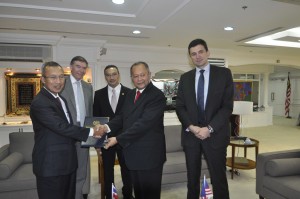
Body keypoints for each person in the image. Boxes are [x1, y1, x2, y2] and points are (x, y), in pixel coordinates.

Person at [30, 61, 102, 199]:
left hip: (67, 164)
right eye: (53, 77)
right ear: (43, 79)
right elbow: (61, 127)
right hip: (51, 166)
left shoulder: (59, 98)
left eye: (61, 77)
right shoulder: (40, 102)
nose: (58, 81)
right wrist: (92, 132)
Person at [175, 38, 234, 199]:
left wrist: (209, 128)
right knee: (192, 179)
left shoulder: (224, 74)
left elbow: (227, 107)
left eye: (200, 52)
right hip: (191, 136)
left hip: (215, 135)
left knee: (219, 178)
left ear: (208, 52)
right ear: (190, 57)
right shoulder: (185, 78)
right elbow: (180, 106)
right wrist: (192, 127)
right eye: (193, 54)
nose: (197, 56)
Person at [101, 61, 166, 199]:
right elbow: (122, 116)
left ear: (149, 75)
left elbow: (143, 124)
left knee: (150, 194)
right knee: (139, 193)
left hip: (150, 156)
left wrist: (118, 139)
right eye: (135, 76)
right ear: (131, 78)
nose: (139, 79)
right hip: (133, 154)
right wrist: (105, 127)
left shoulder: (157, 96)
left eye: (142, 75)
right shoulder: (130, 94)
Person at [93, 65, 134, 199]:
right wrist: (97, 143)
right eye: (108, 75)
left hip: (124, 138)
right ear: (105, 76)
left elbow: (132, 118)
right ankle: (110, 194)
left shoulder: (129, 93)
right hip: (106, 139)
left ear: (118, 75)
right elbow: (96, 119)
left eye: (114, 74)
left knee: (126, 168)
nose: (111, 77)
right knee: (108, 170)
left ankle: (128, 193)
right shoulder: (99, 94)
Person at [60, 56, 93, 199]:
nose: (81, 70)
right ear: (71, 67)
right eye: (78, 66)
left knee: (81, 169)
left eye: (84, 67)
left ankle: (78, 195)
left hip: (84, 133)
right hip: (65, 134)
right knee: (66, 169)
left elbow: (90, 112)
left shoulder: (88, 87)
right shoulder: (61, 83)